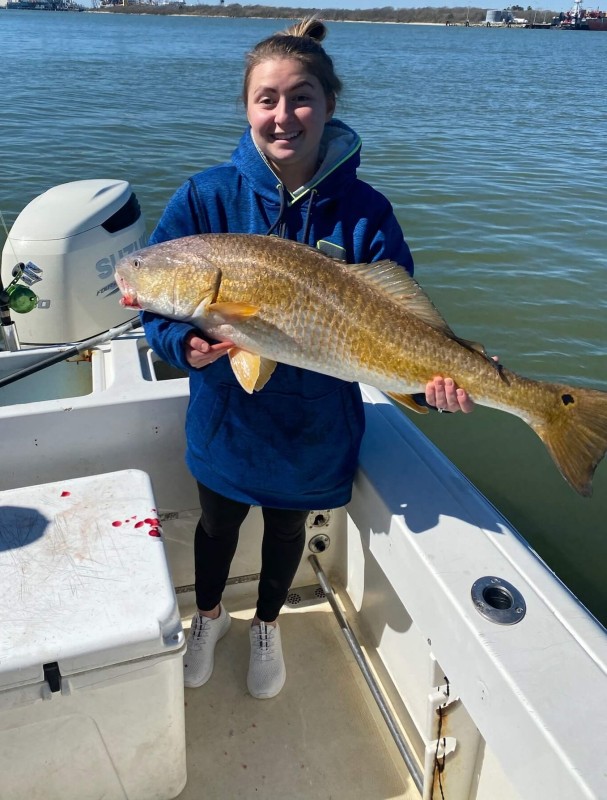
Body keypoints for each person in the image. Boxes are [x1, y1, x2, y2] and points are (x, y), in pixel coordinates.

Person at [141, 17, 475, 701]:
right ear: (246, 109)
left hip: (316, 422)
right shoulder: (204, 198)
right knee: (218, 523)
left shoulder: (365, 212)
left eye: (300, 98)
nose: (282, 115)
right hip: (227, 417)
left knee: (287, 528)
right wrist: (184, 344)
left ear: (328, 106)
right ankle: (208, 617)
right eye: (266, 99)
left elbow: (402, 314)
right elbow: (156, 311)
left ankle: (266, 622)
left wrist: (429, 383)